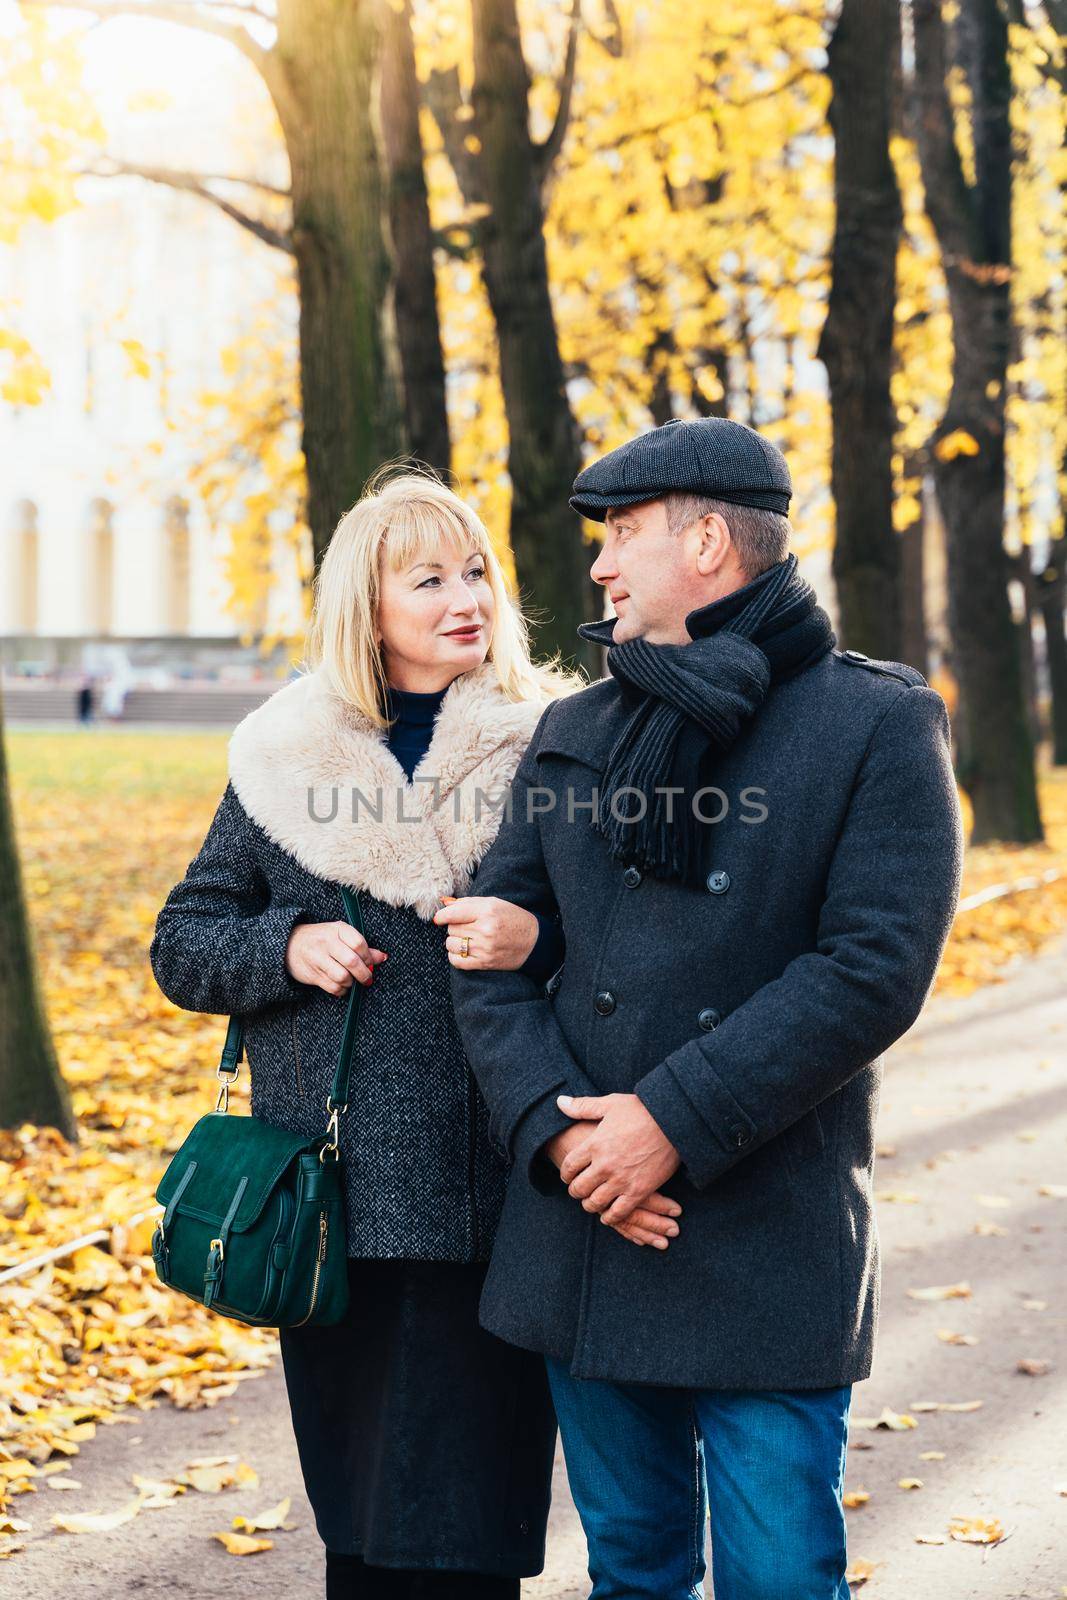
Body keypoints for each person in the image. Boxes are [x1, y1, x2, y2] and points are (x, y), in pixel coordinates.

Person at [445, 417, 965, 1600]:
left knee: (781, 1582)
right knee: (630, 1574)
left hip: (759, 1229)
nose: (599, 566)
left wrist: (665, 1122)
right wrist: (565, 1136)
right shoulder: (576, 731)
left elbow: (871, 967)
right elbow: (491, 955)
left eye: (622, 534)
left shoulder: (874, 723)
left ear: (710, 542)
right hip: (587, 1224)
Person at [149, 469, 680, 1598]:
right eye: (428, 577)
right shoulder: (285, 758)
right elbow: (184, 940)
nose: (465, 597)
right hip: (338, 1203)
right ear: (367, 607)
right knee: (361, 1526)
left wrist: (534, 934)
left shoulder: (560, 742)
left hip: (510, 1191)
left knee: (469, 1533)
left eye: (477, 569)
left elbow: (635, 943)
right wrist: (283, 948)